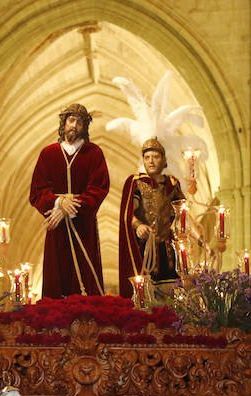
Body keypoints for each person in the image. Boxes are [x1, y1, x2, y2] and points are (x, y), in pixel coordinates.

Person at [30, 102, 109, 298]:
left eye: (80, 122)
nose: (74, 125)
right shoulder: (48, 154)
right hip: (57, 226)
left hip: (83, 224)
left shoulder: (94, 153)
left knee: (84, 271)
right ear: (64, 123)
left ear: (85, 127)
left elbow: (99, 188)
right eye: (71, 120)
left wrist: (69, 208)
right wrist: (58, 203)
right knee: (58, 274)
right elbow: (37, 191)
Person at [118, 137, 187, 299]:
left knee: (172, 291)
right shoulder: (136, 183)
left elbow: (183, 213)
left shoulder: (172, 184)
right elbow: (128, 213)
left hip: (168, 248)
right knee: (146, 293)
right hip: (145, 246)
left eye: (155, 157)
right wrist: (138, 225)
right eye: (147, 157)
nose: (151, 161)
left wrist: (199, 239)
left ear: (163, 160)